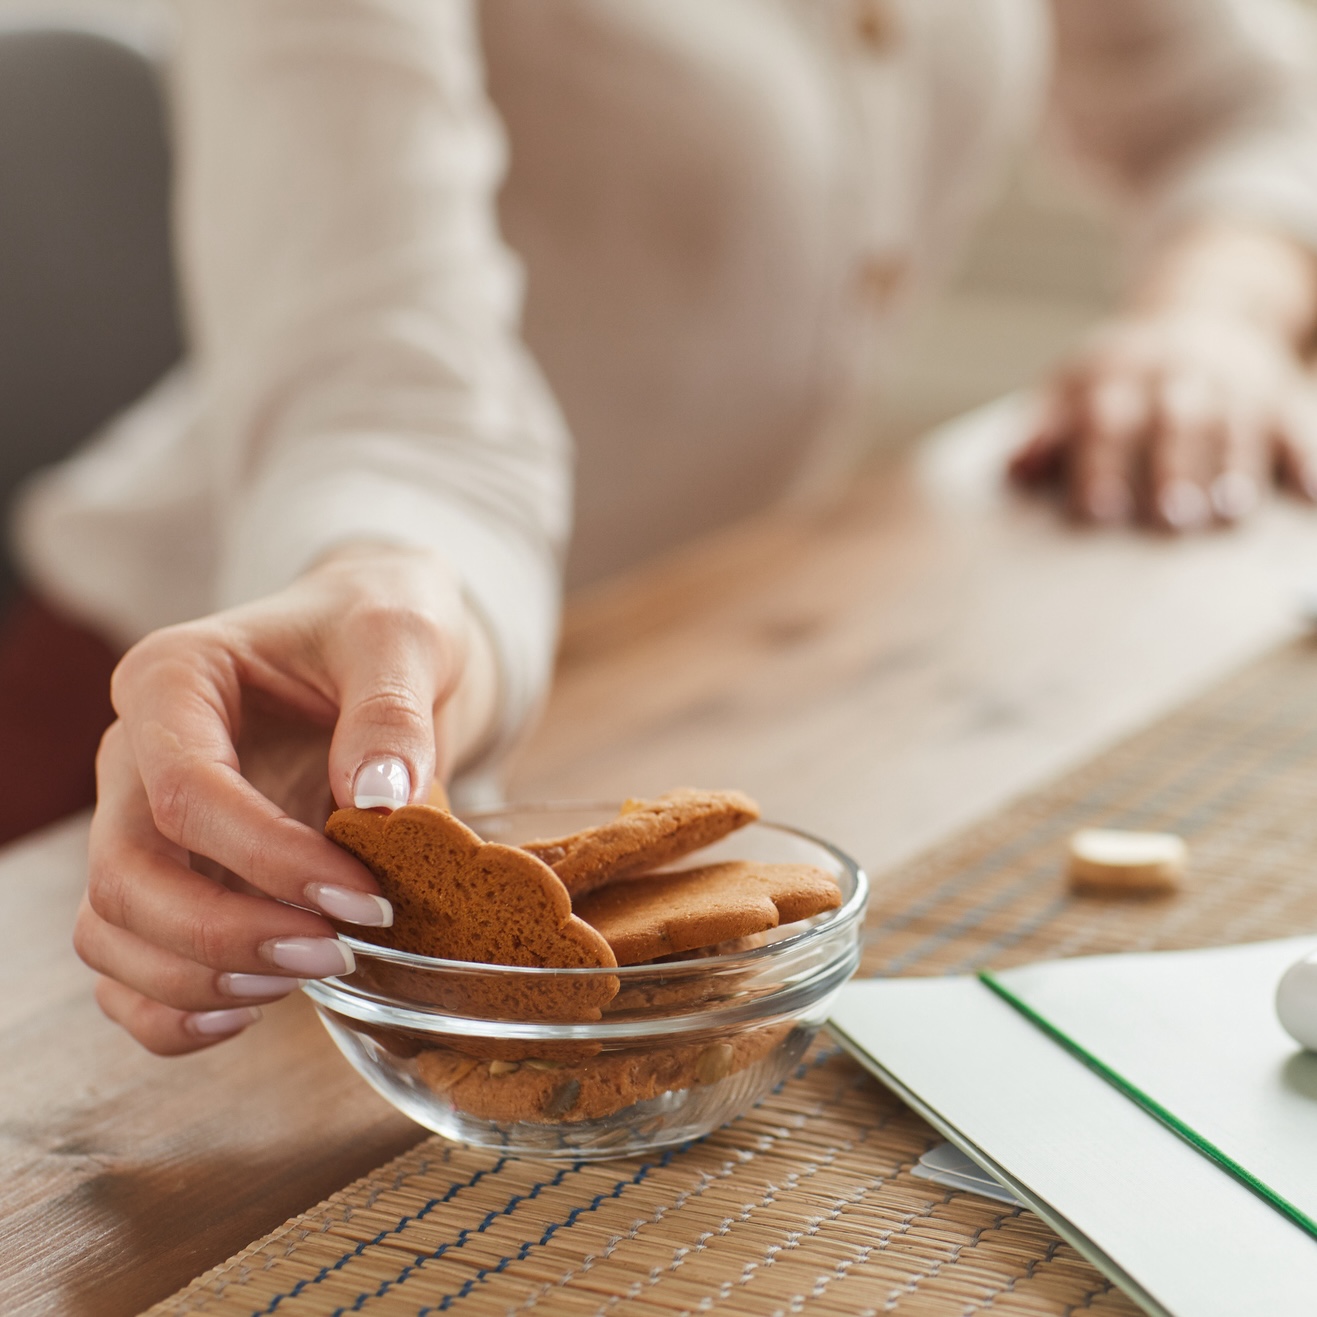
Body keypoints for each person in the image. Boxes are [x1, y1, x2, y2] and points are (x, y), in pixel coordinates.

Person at [6, 0, 1317, 1054]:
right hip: (218, 749)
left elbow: (1248, 107)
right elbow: (383, 383)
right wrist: (390, 608)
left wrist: (1209, 308)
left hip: (716, 664)